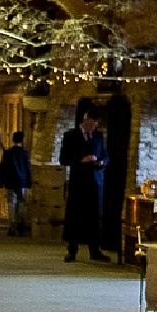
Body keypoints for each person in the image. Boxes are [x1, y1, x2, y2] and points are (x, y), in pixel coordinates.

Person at [58, 105, 111, 263]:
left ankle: (94, 250)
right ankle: (72, 250)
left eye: (96, 124)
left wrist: (100, 162)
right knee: (75, 215)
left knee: (94, 216)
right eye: (92, 123)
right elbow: (64, 159)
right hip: (78, 182)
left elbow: (107, 156)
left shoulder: (99, 137)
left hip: (95, 182)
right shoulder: (71, 136)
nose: (94, 127)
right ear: (85, 120)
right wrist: (81, 160)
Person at [0, 129, 32, 236]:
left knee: (11, 203)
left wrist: (0, 180)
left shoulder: (8, 153)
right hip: (21, 181)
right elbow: (27, 168)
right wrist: (29, 181)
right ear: (22, 140)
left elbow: (3, 168)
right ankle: (21, 224)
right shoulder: (25, 153)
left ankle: (12, 225)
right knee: (21, 202)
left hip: (10, 181)